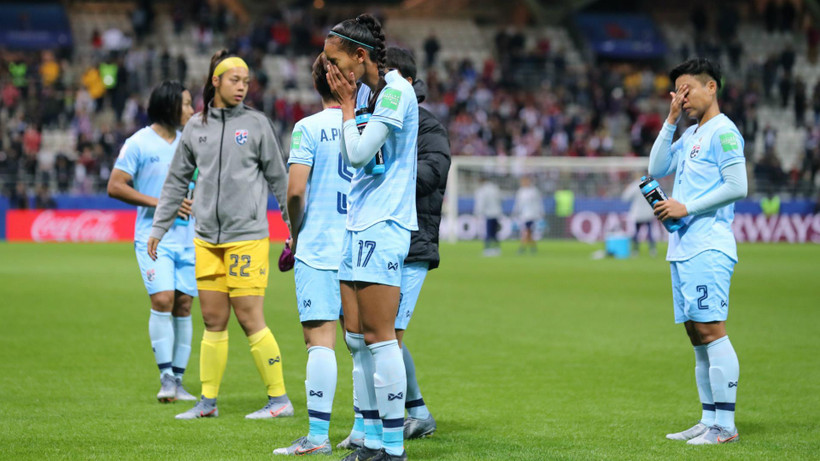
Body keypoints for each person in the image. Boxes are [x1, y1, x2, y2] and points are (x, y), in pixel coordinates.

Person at [147, 50, 294, 421]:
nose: (242, 87)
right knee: (212, 319)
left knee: (249, 318)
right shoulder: (196, 127)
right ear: (216, 81)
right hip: (206, 239)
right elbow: (176, 181)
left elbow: (281, 181)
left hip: (247, 236)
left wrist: (294, 229)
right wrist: (159, 227)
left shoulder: (258, 125)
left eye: (246, 82)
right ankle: (207, 402)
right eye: (235, 80)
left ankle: (279, 400)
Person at [338, 47, 450, 451]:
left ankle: (406, 420)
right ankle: (401, 415)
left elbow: (435, 172)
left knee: (388, 336)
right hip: (375, 231)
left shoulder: (429, 126)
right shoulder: (372, 118)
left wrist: (389, 165)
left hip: (412, 242)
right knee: (370, 336)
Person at [324, 14, 419, 461]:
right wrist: (350, 101)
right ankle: (369, 437)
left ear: (360, 57)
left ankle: (393, 447)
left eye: (334, 61)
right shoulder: (368, 91)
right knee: (357, 338)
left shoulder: (397, 91)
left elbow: (359, 154)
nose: (330, 71)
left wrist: (344, 107)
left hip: (386, 225)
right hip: (358, 222)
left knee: (381, 337)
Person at [650, 58, 746, 445]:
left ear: (712, 88)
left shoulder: (723, 132)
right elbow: (656, 167)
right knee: (696, 334)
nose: (682, 97)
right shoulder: (690, 134)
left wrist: (686, 207)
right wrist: (671, 119)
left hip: (709, 245)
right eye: (677, 92)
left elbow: (737, 185)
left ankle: (725, 426)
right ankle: (709, 419)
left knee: (711, 331)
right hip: (684, 247)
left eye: (687, 90)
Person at [272, 54, 348, 456]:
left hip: (318, 248)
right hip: (362, 248)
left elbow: (295, 192)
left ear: (317, 84)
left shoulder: (308, 128)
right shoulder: (370, 128)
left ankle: (318, 438)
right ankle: (371, 432)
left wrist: (295, 236)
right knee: (367, 344)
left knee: (320, 343)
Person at [108, 80, 197, 403]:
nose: (191, 110)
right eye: (186, 104)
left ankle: (179, 380)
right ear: (170, 105)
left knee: (184, 304)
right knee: (162, 300)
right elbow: (115, 186)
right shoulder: (139, 143)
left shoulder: (192, 141)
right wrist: (161, 202)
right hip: (154, 238)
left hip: (190, 236)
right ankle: (165, 378)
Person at [621, 174, 657, 257]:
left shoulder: (634, 185)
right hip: (648, 212)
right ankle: (652, 250)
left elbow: (625, 197)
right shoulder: (650, 185)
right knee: (650, 232)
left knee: (637, 232)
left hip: (638, 213)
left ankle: (635, 250)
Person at [512, 176, 544, 254]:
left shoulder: (534, 191)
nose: (524, 183)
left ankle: (522, 247)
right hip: (523, 215)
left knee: (527, 231)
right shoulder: (520, 191)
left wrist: (541, 212)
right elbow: (518, 203)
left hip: (532, 215)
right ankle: (533, 247)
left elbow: (539, 203)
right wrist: (515, 212)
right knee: (528, 232)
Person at [474, 175, 503, 256]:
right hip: (497, 212)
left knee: (489, 232)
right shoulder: (495, 188)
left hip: (489, 213)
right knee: (495, 232)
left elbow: (481, 203)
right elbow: (501, 199)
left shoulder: (482, 190)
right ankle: (497, 248)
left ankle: (488, 249)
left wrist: (477, 213)